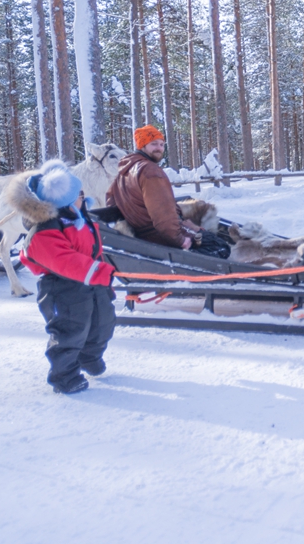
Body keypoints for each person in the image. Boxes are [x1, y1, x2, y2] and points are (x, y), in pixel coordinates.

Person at [13, 160, 115, 395]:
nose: (84, 196)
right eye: (79, 194)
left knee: (103, 323)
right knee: (70, 332)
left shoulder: (79, 216)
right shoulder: (44, 232)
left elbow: (91, 248)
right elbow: (65, 261)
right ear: (65, 201)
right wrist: (97, 272)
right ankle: (64, 375)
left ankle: (89, 357)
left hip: (91, 283)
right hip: (63, 288)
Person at [107, 125, 227, 256]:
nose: (159, 148)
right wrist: (181, 240)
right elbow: (162, 214)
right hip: (159, 237)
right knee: (221, 246)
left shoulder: (123, 172)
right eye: (153, 144)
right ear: (142, 145)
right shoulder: (150, 171)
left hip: (142, 235)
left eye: (161, 144)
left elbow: (111, 202)